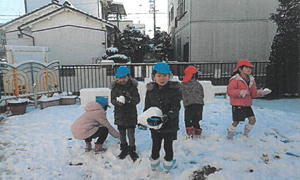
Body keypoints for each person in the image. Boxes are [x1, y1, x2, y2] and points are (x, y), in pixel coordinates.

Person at [144, 62, 181, 178]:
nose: (162, 78)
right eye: (159, 75)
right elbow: (147, 108)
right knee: (155, 145)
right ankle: (154, 167)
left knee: (168, 146)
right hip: (155, 126)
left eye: (165, 75)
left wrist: (167, 117)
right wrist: (145, 120)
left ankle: (167, 169)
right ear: (154, 77)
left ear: (169, 76)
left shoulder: (175, 90)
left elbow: (176, 107)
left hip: (170, 125)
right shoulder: (150, 91)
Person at [227, 60, 271, 140]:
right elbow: (229, 91)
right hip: (238, 105)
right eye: (246, 67)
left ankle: (245, 134)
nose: (249, 69)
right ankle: (230, 136)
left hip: (247, 104)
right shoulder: (235, 80)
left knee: (252, 120)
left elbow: (253, 94)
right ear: (240, 69)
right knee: (236, 121)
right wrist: (240, 92)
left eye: (250, 68)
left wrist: (261, 92)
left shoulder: (251, 80)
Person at [110, 66, 140, 162]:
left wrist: (130, 99)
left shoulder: (133, 87)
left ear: (129, 77)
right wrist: (117, 102)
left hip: (131, 114)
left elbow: (137, 99)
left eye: (124, 78)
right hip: (120, 115)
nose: (122, 80)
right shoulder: (115, 88)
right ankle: (124, 149)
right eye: (119, 78)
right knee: (122, 133)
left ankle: (132, 149)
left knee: (131, 133)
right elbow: (112, 100)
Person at [181, 66, 204, 139]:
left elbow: (180, 94)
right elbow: (202, 94)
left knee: (187, 119)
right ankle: (198, 133)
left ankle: (189, 133)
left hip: (189, 104)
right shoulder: (198, 84)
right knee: (196, 119)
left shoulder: (183, 84)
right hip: (199, 104)